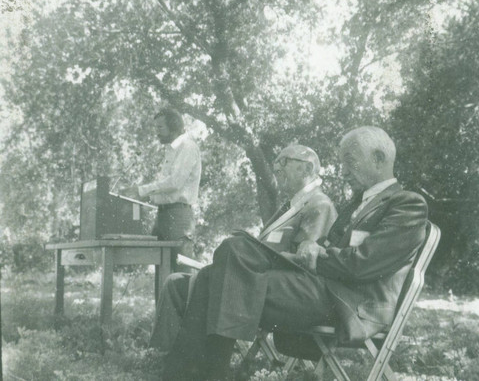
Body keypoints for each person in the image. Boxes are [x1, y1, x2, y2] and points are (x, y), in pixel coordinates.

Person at [158, 127, 428, 380]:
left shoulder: (406, 204)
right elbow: (327, 247)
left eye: (350, 161)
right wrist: (309, 252)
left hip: (351, 302)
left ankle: (193, 373)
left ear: (379, 159)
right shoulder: (356, 203)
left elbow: (362, 264)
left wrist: (317, 253)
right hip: (322, 288)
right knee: (232, 250)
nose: (343, 171)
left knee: (220, 277)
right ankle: (198, 374)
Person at [150, 144, 337, 357]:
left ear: (307, 168)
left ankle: (193, 364)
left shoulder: (319, 205)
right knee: (175, 282)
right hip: (250, 278)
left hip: (269, 288)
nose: (276, 168)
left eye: (284, 161)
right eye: (276, 162)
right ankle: (163, 356)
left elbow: (304, 264)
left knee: (195, 284)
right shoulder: (292, 205)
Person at [134, 107, 201, 268]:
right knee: (161, 270)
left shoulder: (188, 147)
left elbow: (175, 182)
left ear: (173, 127)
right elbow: (167, 189)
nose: (156, 132)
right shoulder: (171, 150)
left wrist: (141, 191)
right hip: (163, 215)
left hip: (179, 217)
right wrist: (147, 197)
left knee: (181, 270)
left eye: (160, 127)